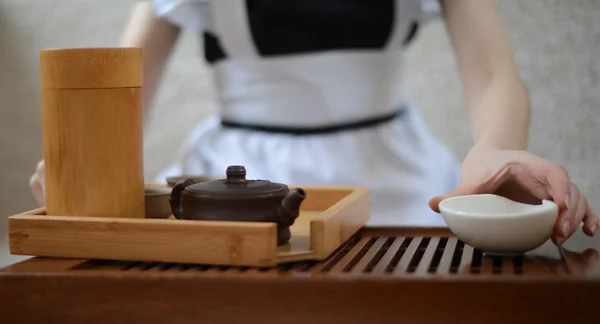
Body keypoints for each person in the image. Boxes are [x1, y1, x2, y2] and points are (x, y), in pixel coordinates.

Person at [30, 0, 598, 245]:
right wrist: (85, 163)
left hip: (396, 178)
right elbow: (125, 83)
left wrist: (496, 153)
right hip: (231, 181)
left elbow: (493, 72)